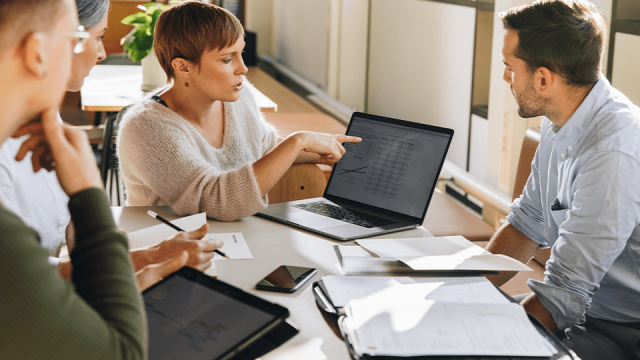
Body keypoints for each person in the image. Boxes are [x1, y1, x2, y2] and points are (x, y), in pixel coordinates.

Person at [0, 0, 222, 288]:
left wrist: (120, 250)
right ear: (39, 50)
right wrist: (147, 259)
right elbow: (16, 281)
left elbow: (68, 233)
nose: (101, 52)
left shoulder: (40, 114)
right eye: (97, 37)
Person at [485, 1, 640, 359]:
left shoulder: (613, 151)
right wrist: (459, 295)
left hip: (623, 331)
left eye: (509, 67)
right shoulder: (561, 122)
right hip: (580, 311)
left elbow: (563, 295)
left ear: (542, 79)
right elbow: (526, 225)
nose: (505, 77)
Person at [0, 0, 152, 357]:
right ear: (38, 52)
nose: (95, 54)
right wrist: (88, 191)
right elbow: (123, 353)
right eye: (75, 39)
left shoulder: (36, 134)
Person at [117, 1, 361, 221]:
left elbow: (262, 148)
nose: (243, 68)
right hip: (171, 252)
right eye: (227, 59)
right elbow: (216, 202)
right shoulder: (146, 126)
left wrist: (324, 151)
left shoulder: (239, 96)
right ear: (183, 67)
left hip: (236, 239)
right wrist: (299, 140)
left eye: (240, 53)